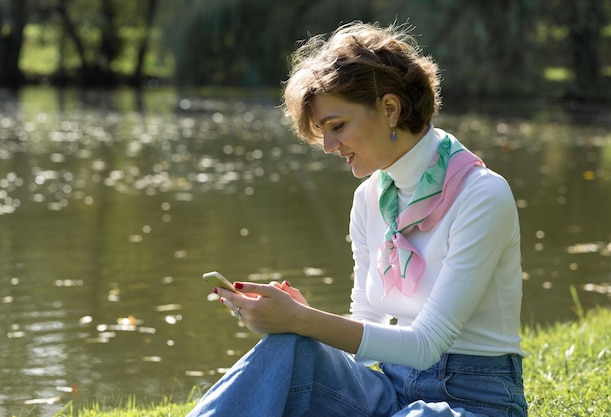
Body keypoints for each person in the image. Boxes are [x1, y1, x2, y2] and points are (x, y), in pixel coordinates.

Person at [187, 21, 527, 417]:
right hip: (392, 388)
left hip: (476, 400)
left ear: (389, 108)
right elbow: (367, 323)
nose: (329, 147)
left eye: (337, 127)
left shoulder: (482, 194)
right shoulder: (369, 197)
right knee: (291, 347)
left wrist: (306, 319)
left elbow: (426, 344)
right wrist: (299, 322)